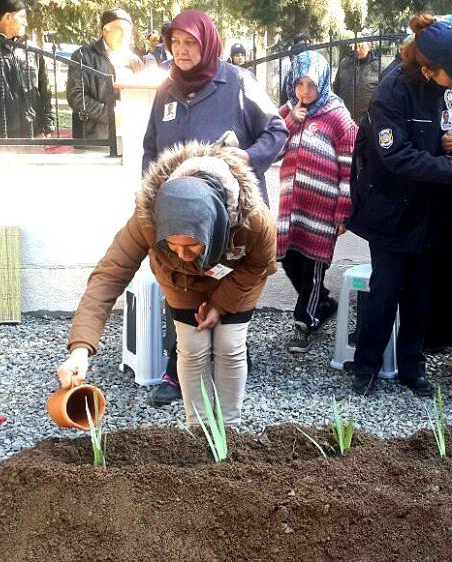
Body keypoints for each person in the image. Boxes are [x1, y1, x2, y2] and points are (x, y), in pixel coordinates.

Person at [58, 143, 277, 429]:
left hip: (235, 280)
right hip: (180, 282)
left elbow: (261, 264)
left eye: (191, 244)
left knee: (230, 345)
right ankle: (199, 431)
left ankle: (229, 431)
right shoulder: (146, 220)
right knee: (192, 346)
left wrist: (220, 305)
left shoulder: (254, 220)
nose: (182, 254)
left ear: (217, 224)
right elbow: (108, 277)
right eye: (171, 245)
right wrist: (80, 349)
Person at [345, 14, 452, 396]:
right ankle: (365, 367)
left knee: (422, 292)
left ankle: (412, 368)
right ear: (430, 69)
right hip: (391, 207)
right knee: (386, 290)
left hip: (432, 209)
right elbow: (395, 156)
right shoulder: (392, 91)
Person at [141, 10, 287, 407]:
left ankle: (232, 362)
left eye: (191, 43)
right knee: (181, 281)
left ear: (208, 45)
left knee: (231, 286)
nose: (181, 51)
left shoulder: (239, 82)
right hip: (181, 220)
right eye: (175, 42)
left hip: (231, 216)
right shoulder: (165, 90)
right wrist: (153, 204)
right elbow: (150, 151)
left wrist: (243, 159)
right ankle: (178, 369)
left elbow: (277, 131)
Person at [278, 51, 357, 352]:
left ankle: (305, 321)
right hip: (293, 209)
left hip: (322, 210)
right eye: (300, 84)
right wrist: (289, 121)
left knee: (313, 266)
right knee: (288, 259)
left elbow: (348, 166)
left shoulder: (337, 116)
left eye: (312, 84)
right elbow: (272, 151)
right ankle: (322, 303)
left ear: (323, 82)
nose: (305, 91)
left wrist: (343, 211)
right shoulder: (289, 112)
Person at [0, 0, 54, 139]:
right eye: (22, 17)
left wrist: (48, 125)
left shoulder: (33, 51)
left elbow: (45, 90)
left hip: (34, 135)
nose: (26, 23)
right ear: (7, 17)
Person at [66, 9, 143, 141]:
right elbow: (76, 97)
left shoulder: (134, 60)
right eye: (119, 29)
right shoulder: (84, 56)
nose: (124, 35)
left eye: (128, 30)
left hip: (129, 135)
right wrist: (110, 113)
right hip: (94, 136)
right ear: (104, 30)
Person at [332, 41, 381, 122]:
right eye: (355, 46)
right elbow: (336, 88)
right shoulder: (344, 63)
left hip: (368, 122)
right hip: (345, 119)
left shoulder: (378, 66)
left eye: (361, 46)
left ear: (369, 47)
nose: (357, 49)